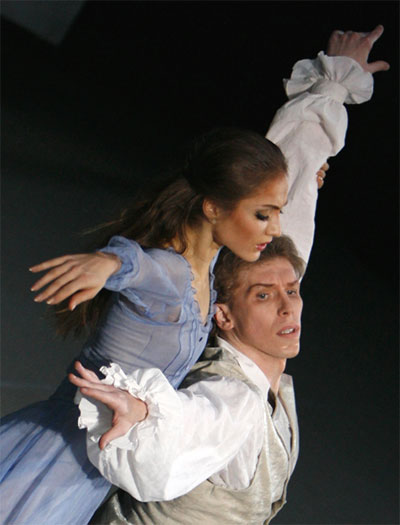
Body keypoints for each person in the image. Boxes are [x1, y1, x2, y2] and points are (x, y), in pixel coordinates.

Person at [0, 26, 387, 525]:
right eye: (263, 215)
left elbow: (277, 211)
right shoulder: (173, 274)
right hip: (57, 466)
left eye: (275, 213)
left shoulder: (224, 267)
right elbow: (142, 267)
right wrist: (109, 263)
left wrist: (332, 88)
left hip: (90, 477)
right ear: (214, 208)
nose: (272, 230)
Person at [73, 234, 305, 524]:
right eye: (263, 295)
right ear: (223, 316)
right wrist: (143, 413)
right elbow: (189, 423)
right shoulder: (236, 399)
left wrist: (304, 187)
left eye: (293, 291)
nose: (287, 308)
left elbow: (296, 240)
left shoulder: (264, 385)